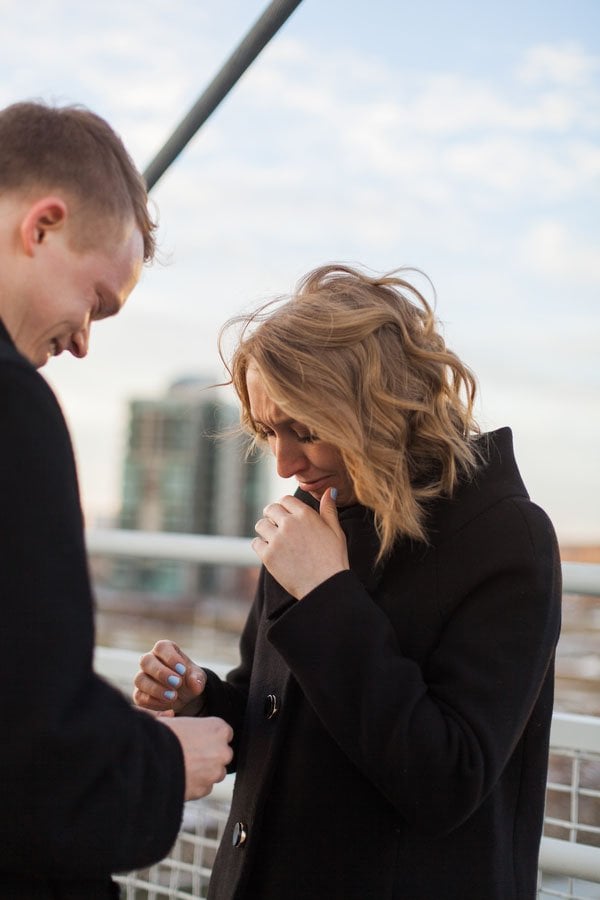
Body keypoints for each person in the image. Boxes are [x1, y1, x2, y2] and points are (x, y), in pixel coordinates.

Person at [134, 263, 562, 900]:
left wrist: (328, 591)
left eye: (303, 429)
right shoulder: (315, 515)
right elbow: (277, 714)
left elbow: (448, 780)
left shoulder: (505, 537)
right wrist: (202, 696)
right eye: (266, 430)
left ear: (378, 407)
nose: (283, 462)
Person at [0, 100, 233, 900]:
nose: (84, 340)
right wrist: (167, 764)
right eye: (97, 300)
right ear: (42, 226)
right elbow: (31, 738)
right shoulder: (11, 407)